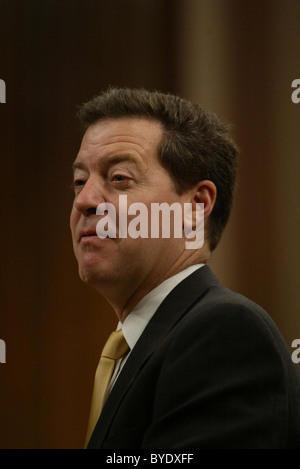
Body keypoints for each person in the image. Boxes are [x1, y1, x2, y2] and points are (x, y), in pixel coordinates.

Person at [70, 87, 300, 449]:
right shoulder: (140, 346)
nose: (84, 200)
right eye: (80, 181)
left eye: (118, 178)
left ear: (195, 206)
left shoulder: (225, 335)